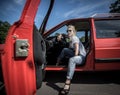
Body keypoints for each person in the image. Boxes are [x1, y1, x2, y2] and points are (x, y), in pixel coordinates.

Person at [56, 25, 86, 95]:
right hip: (77, 55)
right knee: (65, 49)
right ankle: (58, 61)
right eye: (67, 31)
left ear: (74, 31)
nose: (68, 32)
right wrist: (61, 37)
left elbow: (77, 50)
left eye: (70, 30)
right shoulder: (71, 38)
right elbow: (69, 47)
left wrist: (73, 58)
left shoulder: (74, 38)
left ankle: (68, 82)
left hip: (81, 57)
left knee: (72, 60)